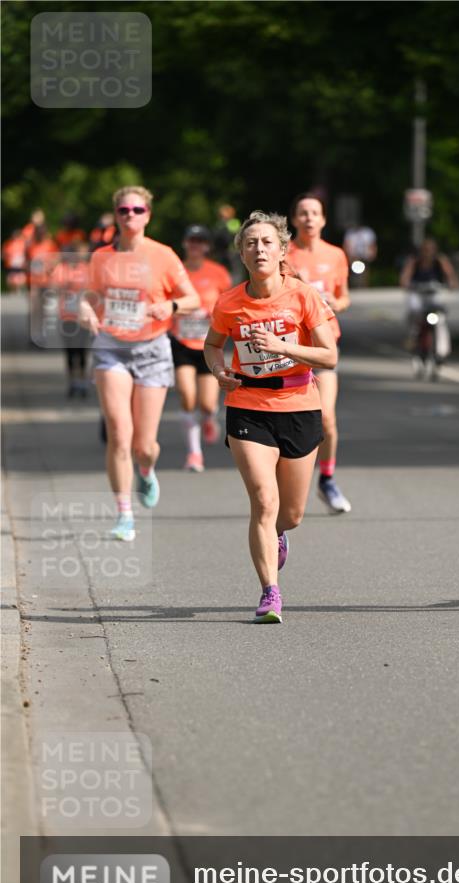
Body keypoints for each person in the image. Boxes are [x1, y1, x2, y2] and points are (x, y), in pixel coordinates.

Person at [204, 210, 336, 623]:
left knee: (291, 514)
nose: (258, 248)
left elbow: (329, 356)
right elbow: (212, 345)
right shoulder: (229, 301)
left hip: (298, 404)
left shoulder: (303, 296)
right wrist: (219, 370)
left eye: (266, 242)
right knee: (263, 500)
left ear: (281, 251)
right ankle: (270, 592)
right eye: (250, 243)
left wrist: (284, 347)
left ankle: (279, 534)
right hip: (247, 405)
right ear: (242, 254)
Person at [79, 185, 200, 541]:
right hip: (111, 347)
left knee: (143, 445)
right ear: (116, 216)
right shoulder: (101, 257)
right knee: (119, 432)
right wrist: (86, 308)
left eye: (136, 210)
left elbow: (191, 297)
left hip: (151, 349)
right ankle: (124, 514)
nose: (130, 216)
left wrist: (172, 307)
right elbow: (91, 294)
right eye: (123, 211)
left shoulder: (163, 256)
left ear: (148, 214)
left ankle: (145, 471)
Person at [286, 192, 352, 513]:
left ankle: (326, 480)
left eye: (315, 213)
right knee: (290, 422)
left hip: (325, 346)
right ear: (295, 219)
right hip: (290, 349)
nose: (309, 218)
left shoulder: (336, 255)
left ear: (323, 219)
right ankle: (284, 485)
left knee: (326, 418)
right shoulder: (283, 253)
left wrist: (338, 303)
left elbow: (344, 295)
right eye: (303, 212)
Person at [170, 225, 232, 471]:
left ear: (207, 246)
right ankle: (194, 454)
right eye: (191, 240)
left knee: (207, 403)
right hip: (181, 341)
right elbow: (166, 301)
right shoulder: (176, 272)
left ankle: (208, 418)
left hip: (208, 344)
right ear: (185, 243)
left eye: (200, 241)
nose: (195, 245)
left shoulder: (218, 273)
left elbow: (228, 305)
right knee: (187, 396)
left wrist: (212, 314)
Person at [399, 237, 459, 374]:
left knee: (441, 320)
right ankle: (413, 337)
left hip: (434, 294)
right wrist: (407, 284)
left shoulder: (440, 261)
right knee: (414, 311)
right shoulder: (414, 261)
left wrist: (452, 284)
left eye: (430, 250)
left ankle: (442, 351)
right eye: (425, 250)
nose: (428, 253)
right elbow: (405, 278)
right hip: (418, 293)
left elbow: (451, 276)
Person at [48, 239, 91, 397]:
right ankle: (72, 382)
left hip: (83, 318)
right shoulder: (62, 269)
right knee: (70, 352)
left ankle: (82, 382)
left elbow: (92, 288)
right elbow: (53, 286)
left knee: (82, 351)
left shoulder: (87, 269)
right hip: (66, 317)